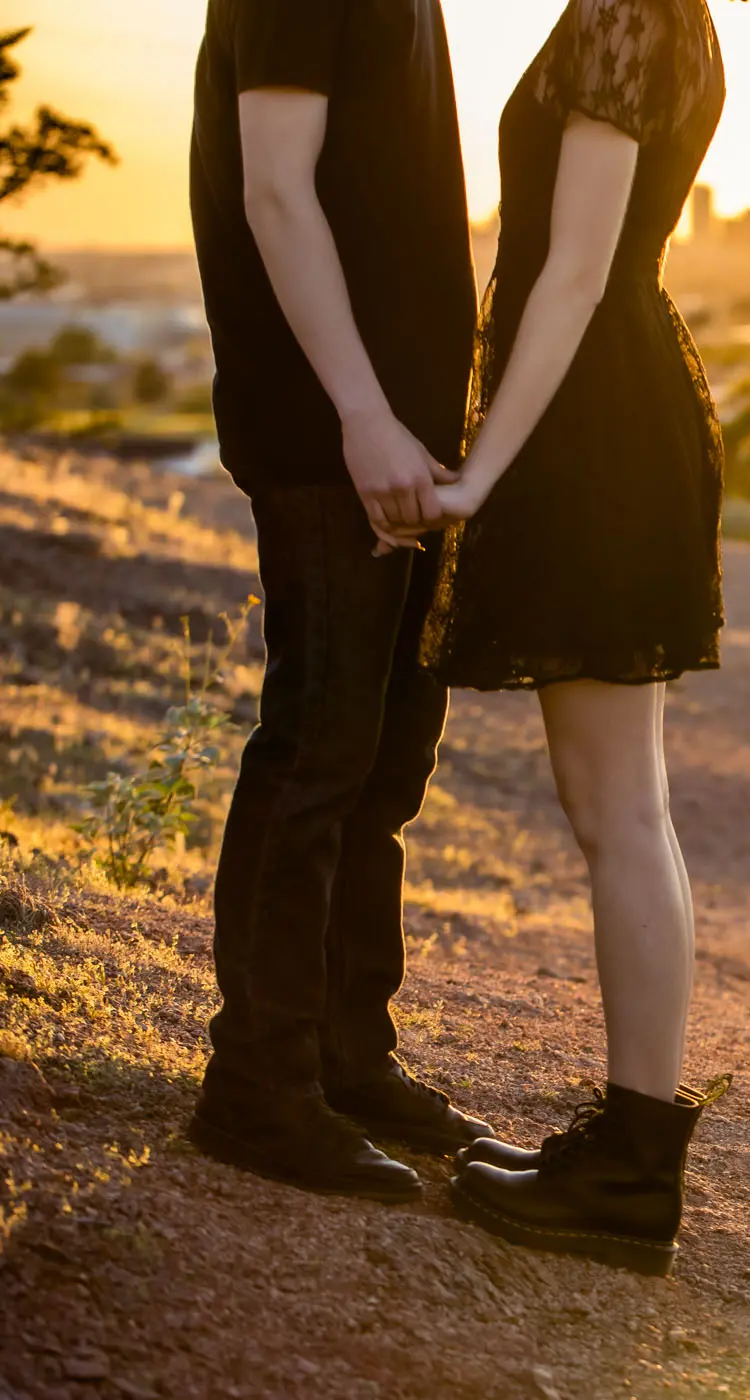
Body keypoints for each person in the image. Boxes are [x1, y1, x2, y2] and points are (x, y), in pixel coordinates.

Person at [414, 0, 733, 1276]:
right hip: (611, 410)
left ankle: (632, 1173)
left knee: (619, 813)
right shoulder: (672, 13)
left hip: (598, 428)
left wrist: (483, 469)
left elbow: (578, 263)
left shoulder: (629, 11)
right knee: (623, 808)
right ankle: (630, 1145)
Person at [186, 0, 492, 1202]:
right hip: (334, 432)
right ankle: (256, 1086)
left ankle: (344, 1055)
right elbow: (275, 191)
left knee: (386, 761)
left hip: (402, 433)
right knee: (318, 750)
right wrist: (363, 413)